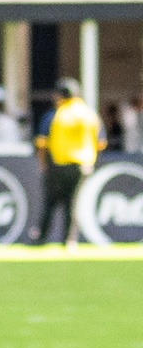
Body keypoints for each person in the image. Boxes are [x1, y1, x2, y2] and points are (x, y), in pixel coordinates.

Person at [30, 79, 106, 245]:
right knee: (73, 204)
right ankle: (69, 240)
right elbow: (101, 143)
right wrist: (91, 160)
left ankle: (41, 238)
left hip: (57, 164)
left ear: (59, 96)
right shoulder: (89, 115)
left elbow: (42, 143)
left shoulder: (55, 114)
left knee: (50, 202)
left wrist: (42, 164)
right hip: (82, 165)